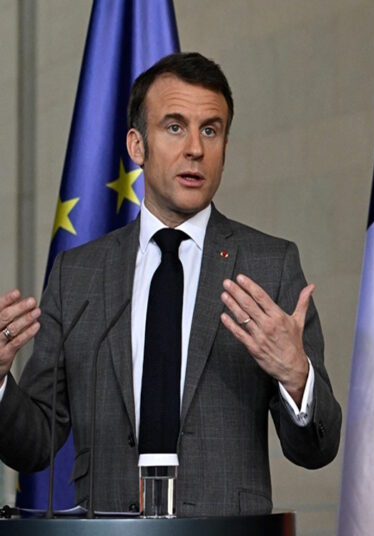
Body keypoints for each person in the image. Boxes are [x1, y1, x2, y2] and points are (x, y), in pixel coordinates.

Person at [0, 52, 341, 516]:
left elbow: (317, 450)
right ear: (137, 146)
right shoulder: (78, 275)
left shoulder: (268, 266)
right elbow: (33, 445)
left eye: (211, 130)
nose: (195, 148)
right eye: (175, 127)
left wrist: (297, 376)